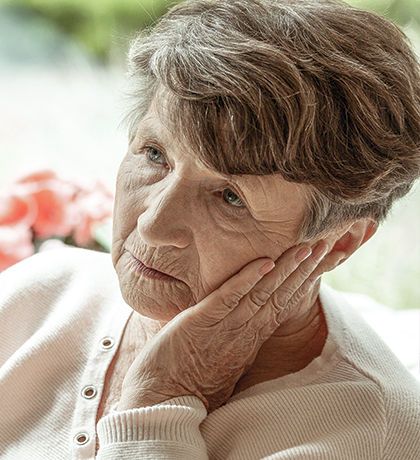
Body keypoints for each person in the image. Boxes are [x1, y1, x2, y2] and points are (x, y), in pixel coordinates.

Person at [0, 0, 419, 458]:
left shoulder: (370, 436)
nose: (153, 224)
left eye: (230, 197)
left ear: (338, 242)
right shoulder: (38, 295)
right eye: (155, 154)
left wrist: (159, 403)